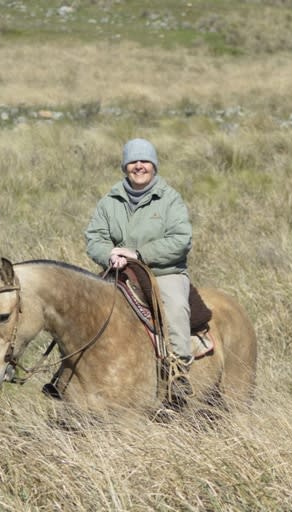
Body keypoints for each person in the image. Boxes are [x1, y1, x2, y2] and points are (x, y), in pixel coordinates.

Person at [85, 138, 194, 401]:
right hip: (120, 272)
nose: (139, 166)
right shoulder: (110, 200)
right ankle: (71, 373)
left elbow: (181, 239)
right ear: (125, 166)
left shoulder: (169, 199)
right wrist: (109, 254)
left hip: (163, 272)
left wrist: (139, 254)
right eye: (133, 161)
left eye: (145, 161)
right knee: (82, 307)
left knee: (177, 307)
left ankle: (178, 371)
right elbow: (95, 237)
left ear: (154, 165)